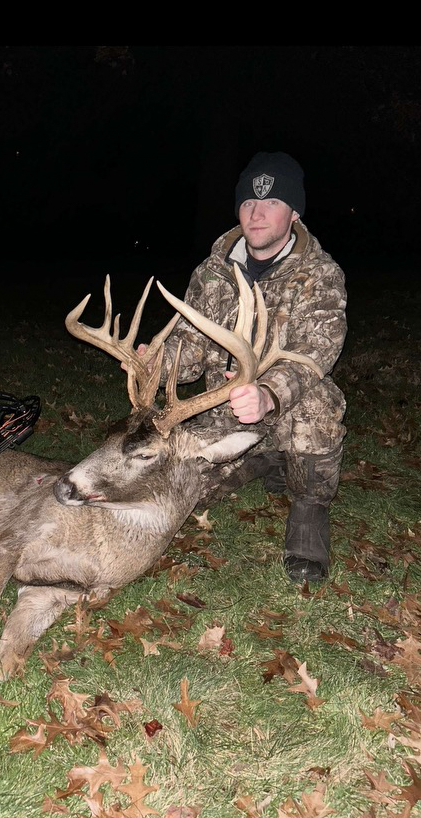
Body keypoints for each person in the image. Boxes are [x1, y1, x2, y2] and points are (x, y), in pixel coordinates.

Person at [161, 152, 347, 582]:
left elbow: (317, 350)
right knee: (184, 485)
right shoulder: (212, 271)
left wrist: (268, 393)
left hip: (286, 405)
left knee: (319, 406)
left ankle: (309, 512)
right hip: (225, 408)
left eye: (272, 203)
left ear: (294, 212)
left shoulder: (319, 273)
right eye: (248, 202)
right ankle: (268, 461)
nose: (257, 213)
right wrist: (156, 363)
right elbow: (187, 346)